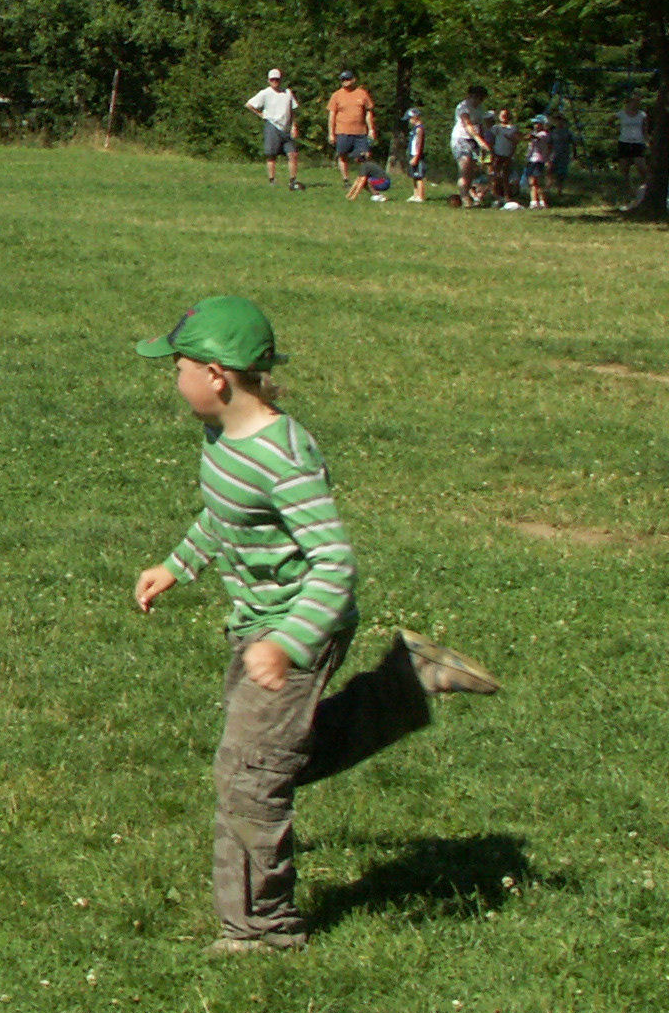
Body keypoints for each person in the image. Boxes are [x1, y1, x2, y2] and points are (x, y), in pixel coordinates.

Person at [129, 296, 500, 954]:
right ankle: (404, 684)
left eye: (177, 367)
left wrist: (288, 643)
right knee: (263, 762)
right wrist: (177, 565)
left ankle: (261, 931)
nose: (173, 379)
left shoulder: (283, 458)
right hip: (259, 623)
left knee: (249, 776)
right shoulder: (224, 438)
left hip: (298, 625)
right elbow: (225, 513)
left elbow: (334, 563)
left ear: (216, 376)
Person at [243, 69, 302, 189]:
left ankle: (293, 180)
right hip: (272, 126)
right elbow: (249, 104)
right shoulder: (265, 93)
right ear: (269, 80)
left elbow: (293, 110)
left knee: (293, 154)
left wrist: (294, 126)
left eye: (277, 79)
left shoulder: (287, 93)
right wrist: (262, 115)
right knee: (271, 154)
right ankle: (272, 180)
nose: (275, 81)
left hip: (286, 127)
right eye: (272, 79)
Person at [324, 70, 378, 199]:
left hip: (360, 132)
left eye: (347, 79)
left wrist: (371, 129)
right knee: (342, 155)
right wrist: (331, 133)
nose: (345, 82)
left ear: (353, 79)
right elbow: (332, 115)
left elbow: (368, 112)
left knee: (364, 157)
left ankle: (365, 180)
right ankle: (346, 180)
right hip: (342, 131)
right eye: (343, 80)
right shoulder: (337, 95)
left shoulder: (362, 94)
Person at [449, 86, 495, 209]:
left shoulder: (479, 108)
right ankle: (465, 199)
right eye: (475, 97)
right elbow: (467, 124)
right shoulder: (463, 107)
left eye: (481, 98)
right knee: (465, 168)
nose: (478, 100)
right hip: (461, 139)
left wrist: (483, 140)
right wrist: (480, 141)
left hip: (473, 141)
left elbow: (479, 125)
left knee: (471, 171)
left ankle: (470, 195)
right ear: (470, 96)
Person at [615, 99, 648, 196]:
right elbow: (610, 120)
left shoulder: (642, 115)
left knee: (641, 166)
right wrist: (617, 129)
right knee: (624, 168)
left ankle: (646, 187)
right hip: (624, 142)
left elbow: (645, 128)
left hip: (638, 143)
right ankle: (628, 190)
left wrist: (646, 140)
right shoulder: (621, 114)